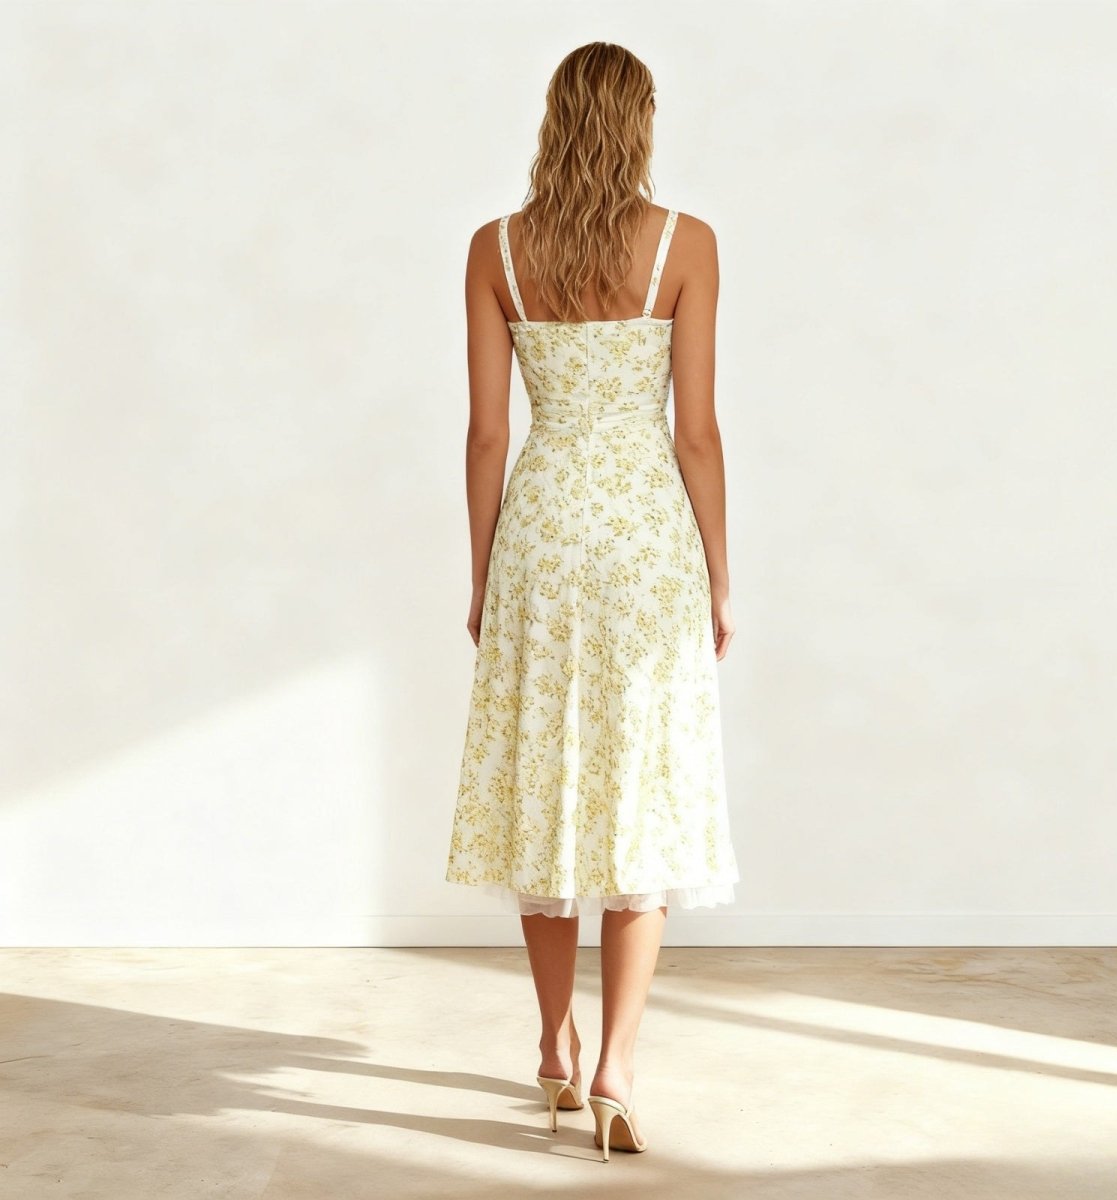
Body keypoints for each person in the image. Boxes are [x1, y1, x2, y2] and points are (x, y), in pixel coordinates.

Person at [444, 41, 739, 1162]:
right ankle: (617, 1066)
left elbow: (485, 434)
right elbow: (697, 431)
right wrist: (717, 570)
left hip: (543, 532)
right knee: (640, 787)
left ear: (556, 116)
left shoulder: (496, 251)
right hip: (645, 539)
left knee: (543, 780)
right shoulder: (685, 244)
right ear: (642, 119)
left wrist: (483, 573)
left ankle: (554, 1046)